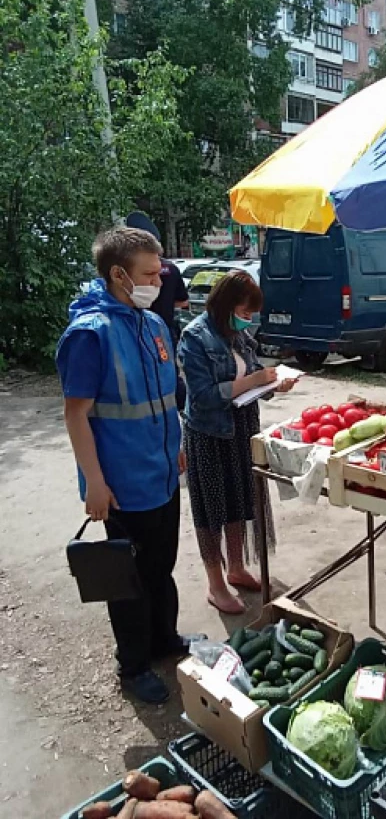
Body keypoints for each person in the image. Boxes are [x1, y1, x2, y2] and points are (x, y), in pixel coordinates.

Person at [56, 227, 189, 704]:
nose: (160, 280)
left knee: (162, 567)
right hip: (121, 484)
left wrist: (175, 445)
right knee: (129, 580)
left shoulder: (152, 326)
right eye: (150, 273)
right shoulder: (90, 335)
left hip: (162, 475)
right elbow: (76, 414)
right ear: (118, 275)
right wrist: (94, 481)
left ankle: (165, 641)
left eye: (161, 271)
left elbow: (163, 400)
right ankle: (133, 667)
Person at [179, 271, 295, 614]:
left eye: (250, 315)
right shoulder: (195, 337)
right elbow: (202, 397)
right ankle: (215, 583)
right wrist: (256, 380)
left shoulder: (239, 336)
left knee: (240, 502)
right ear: (226, 304)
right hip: (210, 434)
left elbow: (254, 375)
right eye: (244, 313)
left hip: (243, 429)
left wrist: (274, 384)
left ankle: (236, 567)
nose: (248, 320)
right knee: (211, 510)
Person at [125, 212, 189, 411]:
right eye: (149, 276)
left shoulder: (130, 275)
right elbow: (183, 302)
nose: (156, 282)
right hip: (165, 332)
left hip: (143, 331)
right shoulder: (171, 268)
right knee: (168, 375)